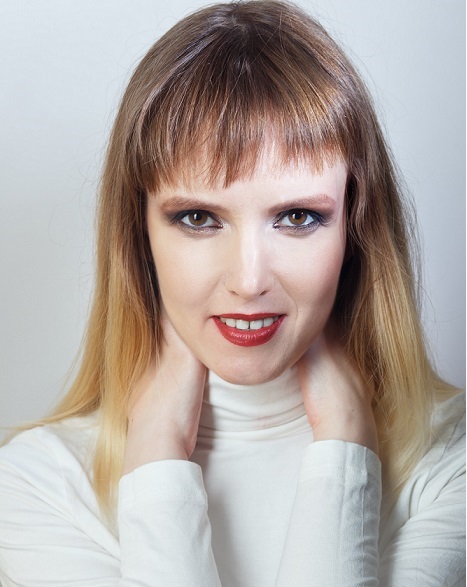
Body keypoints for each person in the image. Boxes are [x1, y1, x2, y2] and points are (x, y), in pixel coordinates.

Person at [0, 1, 464, 585]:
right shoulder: (37, 487)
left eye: (297, 216)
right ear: (139, 235)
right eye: (198, 218)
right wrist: (157, 455)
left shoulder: (451, 463)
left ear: (357, 227)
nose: (248, 280)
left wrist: (345, 446)